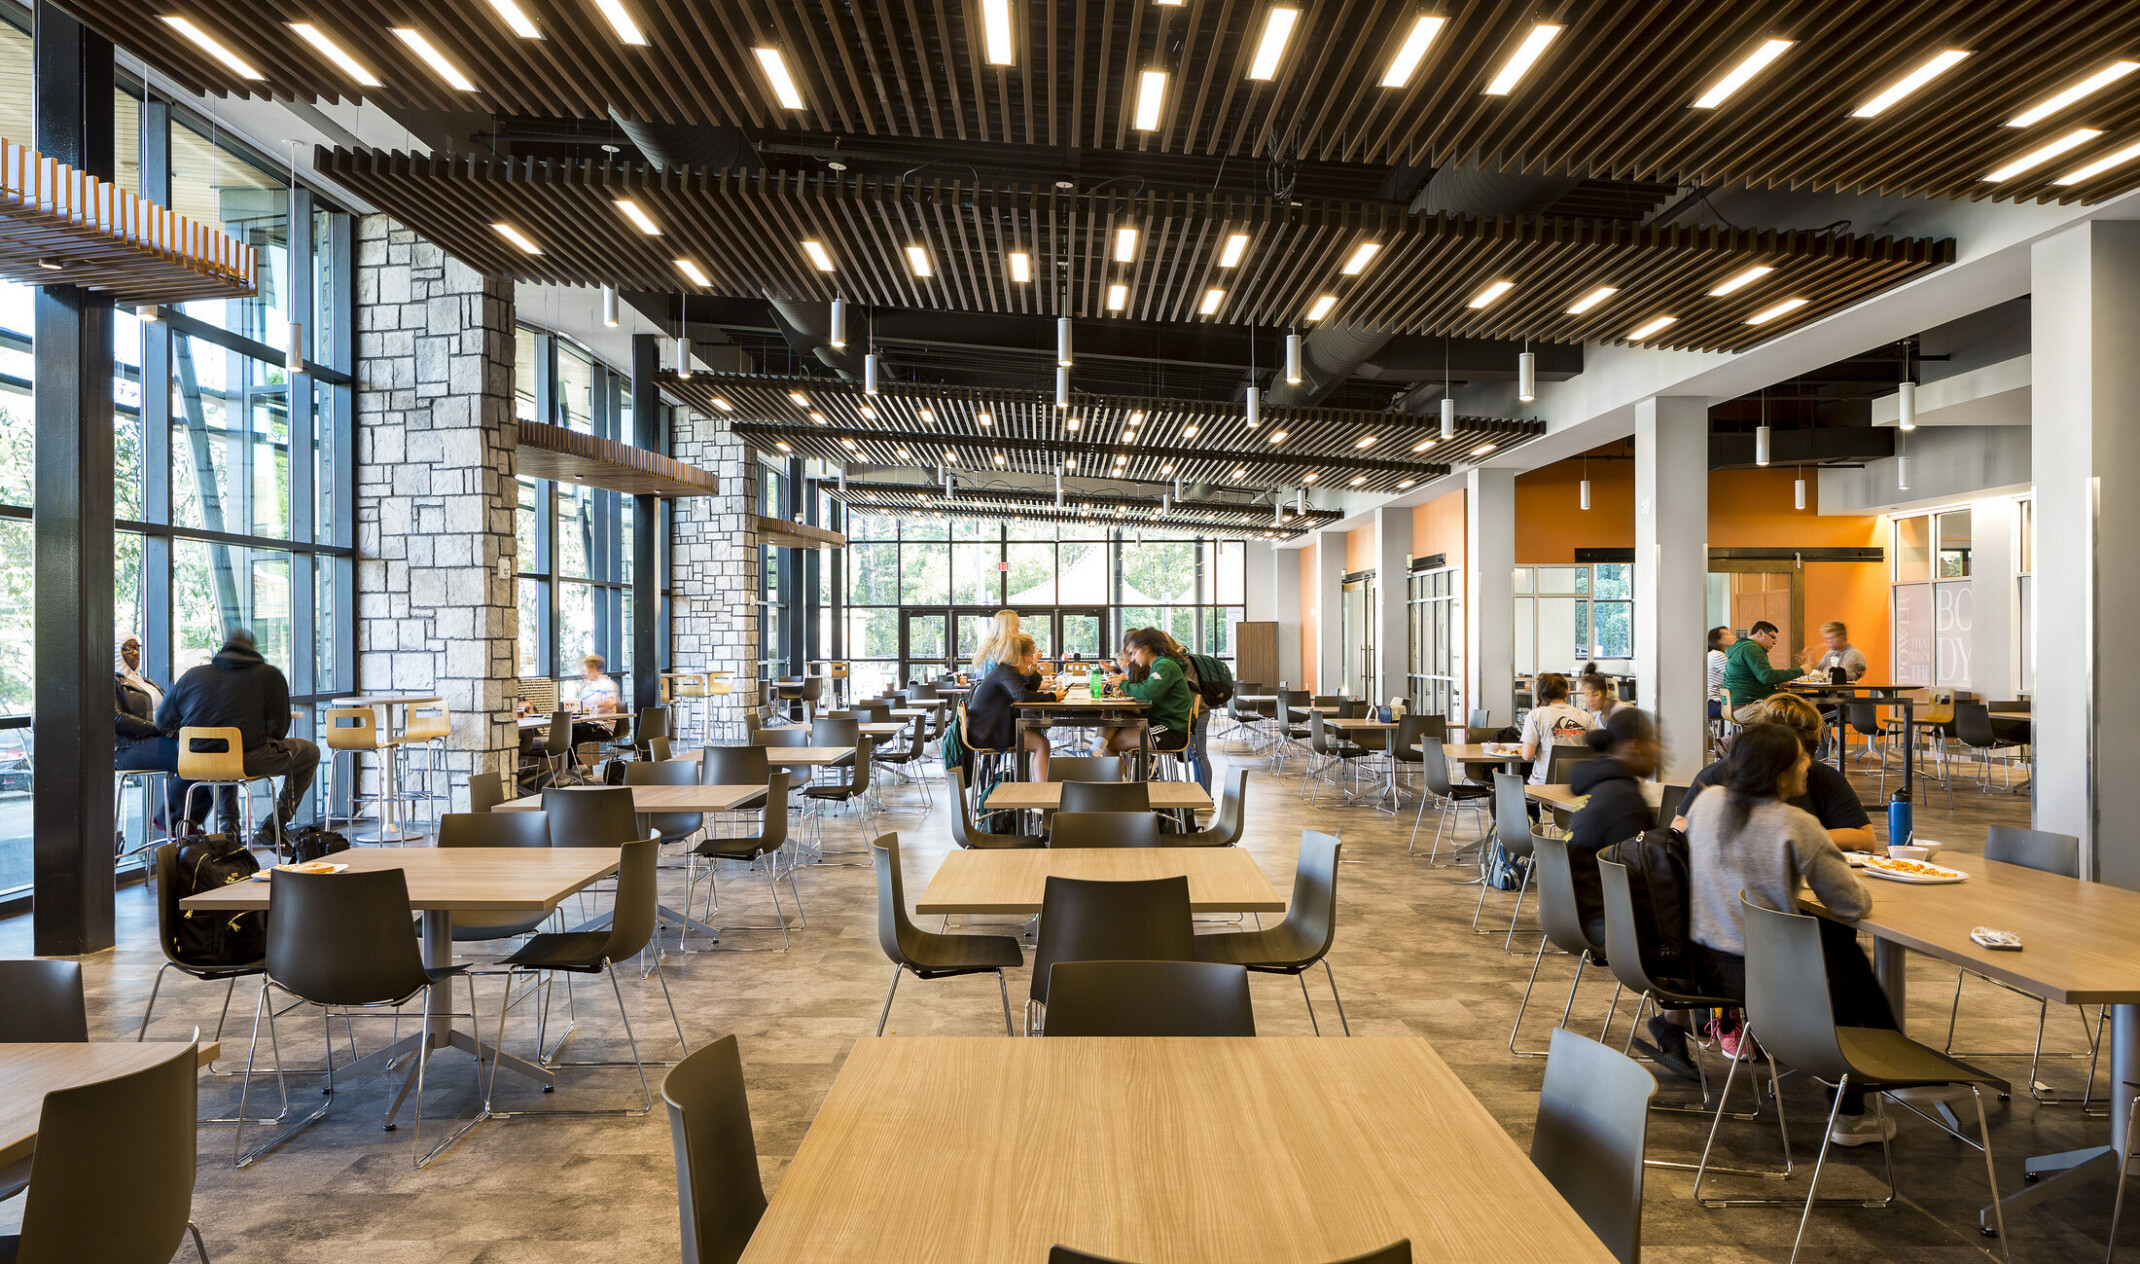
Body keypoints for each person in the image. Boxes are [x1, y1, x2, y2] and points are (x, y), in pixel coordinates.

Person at [1666, 724, 1893, 1146]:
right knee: (1848, 963)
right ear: (1782, 771)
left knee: (1841, 961)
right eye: (1801, 758)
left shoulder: (1707, 802)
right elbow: (1852, 905)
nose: (1808, 764)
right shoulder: (1796, 823)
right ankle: (1856, 1105)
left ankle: (1876, 1079)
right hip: (1765, 977)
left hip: (1702, 967)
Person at [155, 628, 320, 845]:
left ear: (223, 648)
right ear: (253, 649)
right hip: (246, 759)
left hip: (194, 760)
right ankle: (275, 824)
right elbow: (280, 730)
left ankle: (230, 830)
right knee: (310, 752)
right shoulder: (269, 675)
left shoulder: (192, 675)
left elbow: (162, 721)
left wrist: (191, 737)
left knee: (223, 760)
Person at [1671, 694, 1876, 853]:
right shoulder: (1717, 778)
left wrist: (1791, 838)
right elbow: (1679, 830)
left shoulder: (1824, 779)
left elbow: (1866, 838)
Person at [1566, 707, 1660, 953]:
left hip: (1571, 912)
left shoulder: (1600, 786)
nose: (1659, 751)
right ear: (1636, 746)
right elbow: (1642, 880)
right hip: (1603, 921)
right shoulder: (1624, 799)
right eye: (1654, 741)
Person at [114, 636, 196, 835]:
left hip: (156, 740)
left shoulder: (146, 681)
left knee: (204, 754)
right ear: (115, 651)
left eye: (137, 647)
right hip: (128, 747)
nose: (135, 653)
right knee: (194, 760)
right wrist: (157, 728)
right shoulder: (113, 681)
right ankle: (172, 819)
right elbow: (117, 718)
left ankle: (186, 821)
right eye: (128, 648)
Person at [966, 632, 1057, 780]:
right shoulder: (1007, 671)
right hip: (987, 732)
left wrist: (1035, 667)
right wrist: (1053, 696)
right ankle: (1042, 792)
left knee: (1040, 740)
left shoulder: (1007, 669)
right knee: (1042, 744)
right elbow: (1022, 695)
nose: (1031, 659)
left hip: (986, 727)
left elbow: (1029, 686)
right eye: (1030, 655)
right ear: (1019, 655)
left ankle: (1037, 788)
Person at [1099, 627, 1195, 761]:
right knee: (1110, 713)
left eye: (1134, 653)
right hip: (1159, 721)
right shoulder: (1159, 664)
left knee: (1111, 744)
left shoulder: (1164, 665)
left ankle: (1099, 757)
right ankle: (1095, 750)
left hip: (1170, 730)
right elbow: (1147, 688)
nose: (1133, 659)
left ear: (1145, 648)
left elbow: (1148, 693)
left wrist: (1123, 684)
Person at [1145, 628, 1214, 792]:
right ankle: (1201, 794)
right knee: (1197, 755)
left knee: (1199, 755)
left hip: (1197, 713)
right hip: (1193, 712)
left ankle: (1205, 797)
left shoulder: (1177, 662)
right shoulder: (1178, 659)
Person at [1517, 672, 1595, 785]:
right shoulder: (1585, 716)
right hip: (1578, 785)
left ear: (1542, 694)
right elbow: (1597, 750)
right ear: (1567, 691)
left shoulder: (1536, 715)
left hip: (1543, 786)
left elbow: (1527, 755)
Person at [1722, 620, 1803, 723]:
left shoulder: (1740, 648)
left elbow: (1758, 677)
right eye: (1772, 637)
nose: (1774, 642)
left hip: (1735, 707)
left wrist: (1776, 680)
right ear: (1760, 633)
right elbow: (1766, 676)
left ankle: (1732, 736)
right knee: (1797, 717)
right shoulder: (1752, 648)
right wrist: (1802, 670)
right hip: (1748, 708)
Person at [571, 654, 622, 754]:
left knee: (572, 735)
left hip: (603, 727)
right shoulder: (586, 689)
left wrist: (594, 705)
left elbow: (611, 703)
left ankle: (573, 762)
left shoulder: (607, 684)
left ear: (598, 670)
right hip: (589, 723)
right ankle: (574, 762)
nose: (586, 674)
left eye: (589, 671)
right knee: (567, 731)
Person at [1706, 626, 1734, 722]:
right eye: (1728, 634)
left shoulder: (1713, 654)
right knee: (1744, 710)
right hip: (1712, 703)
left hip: (1709, 703)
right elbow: (1735, 675)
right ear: (1719, 640)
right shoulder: (1717, 655)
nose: (1732, 636)